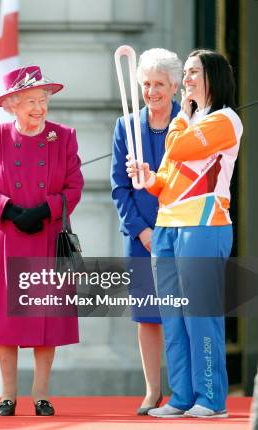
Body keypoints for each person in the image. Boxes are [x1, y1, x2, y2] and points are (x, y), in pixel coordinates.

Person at [128, 49, 243, 418]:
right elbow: (167, 180)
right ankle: (182, 397)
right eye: (187, 73)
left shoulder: (225, 120)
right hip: (168, 227)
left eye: (195, 72)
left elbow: (177, 146)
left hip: (204, 227)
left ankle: (211, 399)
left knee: (200, 315)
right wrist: (148, 179)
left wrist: (181, 115)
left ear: (214, 77)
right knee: (174, 318)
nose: (188, 79)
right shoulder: (192, 120)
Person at [0, 65, 83, 416]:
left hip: (47, 238)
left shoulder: (63, 135)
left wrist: (46, 210)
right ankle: (7, 395)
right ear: (12, 105)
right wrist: (7, 210)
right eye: (31, 101)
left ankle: (41, 395)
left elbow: (74, 186)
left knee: (43, 322)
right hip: (5, 238)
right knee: (6, 322)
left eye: (42, 100)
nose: (39, 107)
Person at [110, 48, 182, 415]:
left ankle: (186, 391)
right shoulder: (126, 125)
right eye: (146, 84)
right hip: (140, 238)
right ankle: (153, 391)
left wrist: (167, 229)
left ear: (174, 86)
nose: (152, 91)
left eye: (159, 84)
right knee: (148, 317)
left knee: (182, 312)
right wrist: (140, 230)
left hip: (181, 232)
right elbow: (119, 187)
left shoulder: (189, 124)